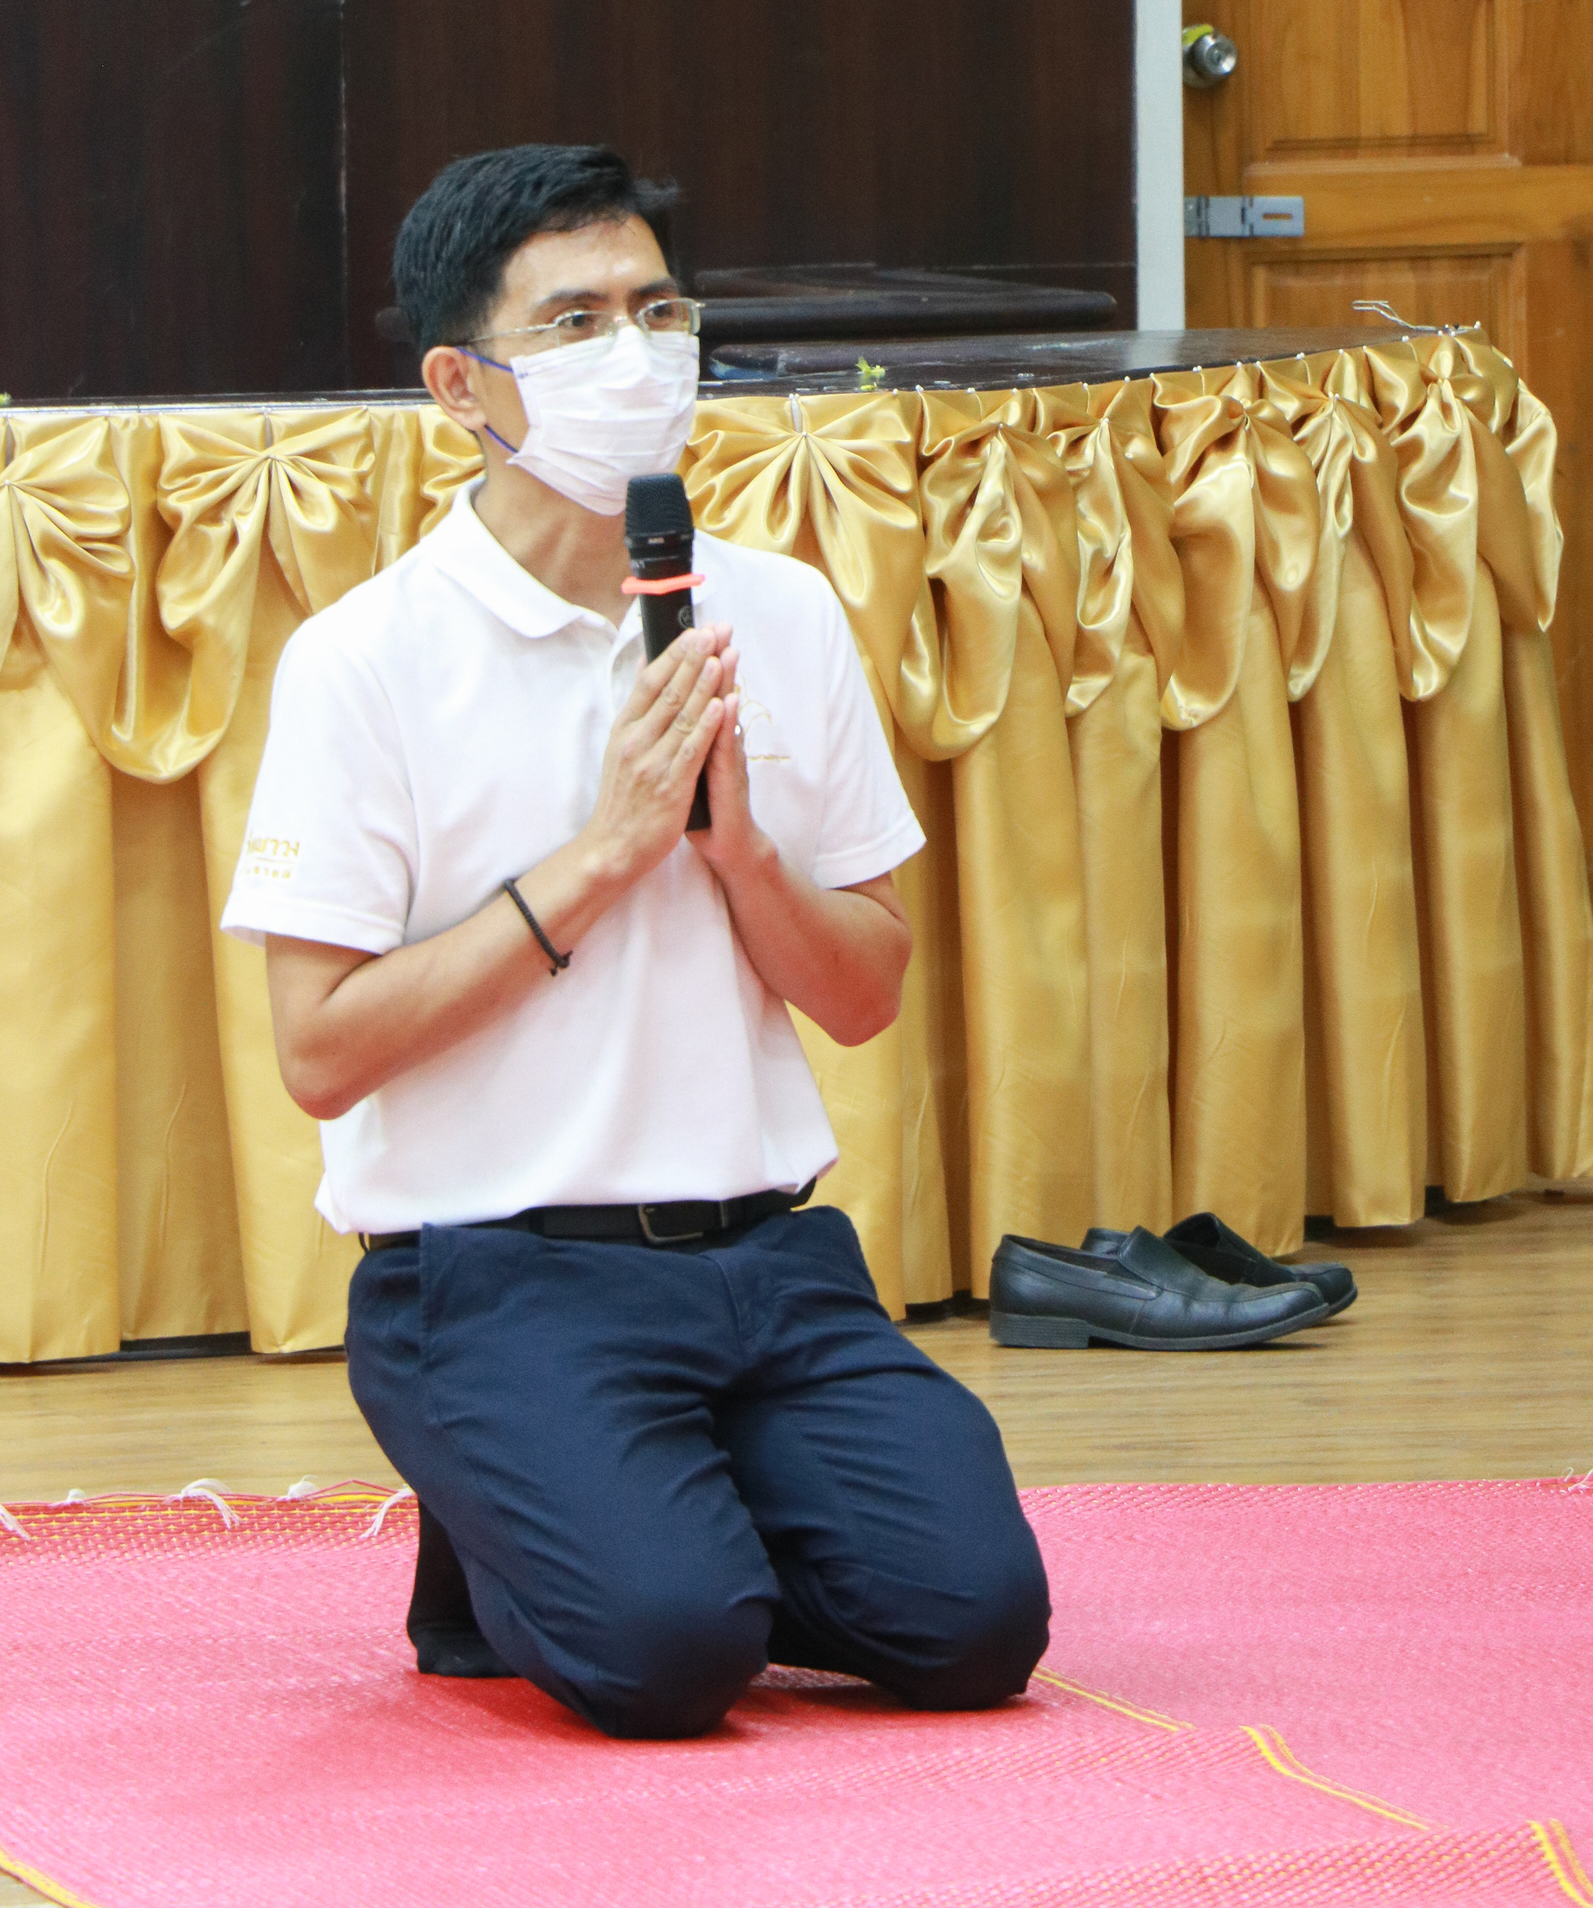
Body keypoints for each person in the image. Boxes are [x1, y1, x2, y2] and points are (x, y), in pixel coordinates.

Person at [220, 145, 1049, 1740]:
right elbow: (319, 1055)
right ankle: (539, 1527)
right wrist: (603, 858)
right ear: (460, 385)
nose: (639, 353)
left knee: (975, 1630)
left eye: (659, 310)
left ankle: (641, 1500)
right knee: (671, 1656)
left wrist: (739, 857)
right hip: (496, 1277)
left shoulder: (778, 612)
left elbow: (867, 992)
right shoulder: (366, 659)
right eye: (578, 321)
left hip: (769, 1262)